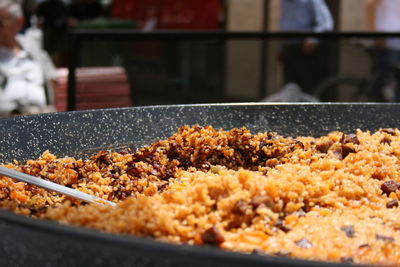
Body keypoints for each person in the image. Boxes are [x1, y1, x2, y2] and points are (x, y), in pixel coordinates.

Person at [0, 0, 56, 117]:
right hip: (10, 120)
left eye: (0, 24)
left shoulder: (31, 45)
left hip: (45, 115)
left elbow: (51, 75)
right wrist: (16, 113)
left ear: (19, 23)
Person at [279, 0, 334, 95]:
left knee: (308, 90)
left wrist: (313, 40)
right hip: (288, 49)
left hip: (306, 49)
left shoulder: (311, 1)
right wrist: (280, 48)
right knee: (289, 89)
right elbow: (286, 24)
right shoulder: (285, 2)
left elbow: (326, 23)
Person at [366, 0, 400, 102]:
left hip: (396, 41)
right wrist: (376, 35)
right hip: (387, 43)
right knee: (385, 82)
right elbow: (369, 5)